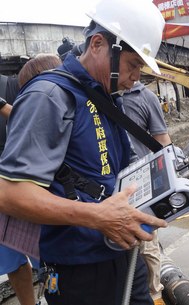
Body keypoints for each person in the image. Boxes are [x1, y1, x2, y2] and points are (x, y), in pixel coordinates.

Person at [0, 1, 167, 305]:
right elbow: (11, 194)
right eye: (133, 64)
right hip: (81, 273)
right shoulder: (49, 96)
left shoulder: (102, 96)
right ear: (99, 44)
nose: (136, 76)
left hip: (121, 257)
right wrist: (98, 216)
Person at [0, 53, 62, 305]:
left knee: (49, 257)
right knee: (11, 261)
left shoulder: (17, 88)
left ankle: (58, 295)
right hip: (3, 195)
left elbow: (37, 122)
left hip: (36, 189)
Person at [122, 80, 172, 305]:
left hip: (142, 189)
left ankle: (155, 295)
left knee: (149, 246)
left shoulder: (146, 98)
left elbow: (162, 141)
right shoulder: (98, 94)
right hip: (113, 189)